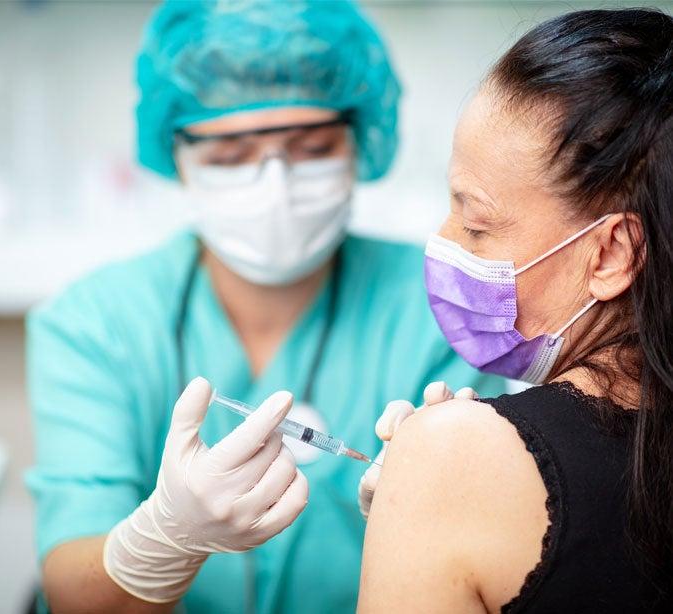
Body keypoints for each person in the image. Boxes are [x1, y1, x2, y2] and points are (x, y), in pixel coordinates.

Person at [25, 1, 505, 612]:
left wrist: (450, 513)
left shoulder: (441, 306)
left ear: (358, 142)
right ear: (177, 155)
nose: (273, 184)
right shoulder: (94, 323)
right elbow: (72, 596)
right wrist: (162, 541)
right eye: (230, 155)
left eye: (310, 147)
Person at [359, 8, 673, 612]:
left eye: (477, 226)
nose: (445, 242)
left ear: (609, 254)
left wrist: (441, 471)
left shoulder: (449, 458)